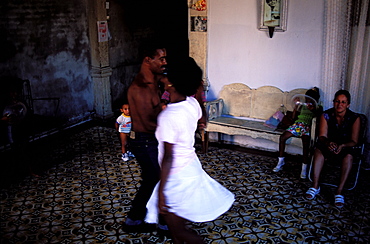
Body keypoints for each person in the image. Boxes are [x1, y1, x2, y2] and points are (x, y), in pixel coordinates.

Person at [145, 57, 234, 244]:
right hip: (191, 168)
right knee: (178, 232)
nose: (161, 78)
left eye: (165, 75)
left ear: (171, 83)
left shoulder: (169, 116)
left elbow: (168, 157)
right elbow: (202, 114)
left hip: (176, 178)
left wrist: (161, 192)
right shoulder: (192, 104)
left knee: (180, 232)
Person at [123, 42, 167, 233]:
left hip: (151, 139)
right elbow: (148, 122)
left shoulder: (154, 80)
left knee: (155, 178)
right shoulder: (140, 87)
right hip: (143, 140)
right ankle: (135, 220)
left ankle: (144, 219)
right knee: (156, 178)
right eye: (162, 59)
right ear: (148, 60)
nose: (165, 62)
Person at [305, 90, 360, 208]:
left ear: (348, 104)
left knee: (349, 156)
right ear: (333, 102)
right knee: (318, 151)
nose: (340, 104)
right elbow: (322, 136)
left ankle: (339, 192)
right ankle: (315, 186)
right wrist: (329, 143)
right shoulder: (326, 115)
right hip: (329, 144)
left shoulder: (355, 118)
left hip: (345, 147)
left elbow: (354, 141)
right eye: (337, 101)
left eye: (343, 102)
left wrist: (342, 146)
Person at [273, 87, 322, 179]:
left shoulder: (318, 107)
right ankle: (281, 161)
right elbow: (294, 117)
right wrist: (295, 107)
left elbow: (319, 118)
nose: (308, 100)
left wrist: (313, 109)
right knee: (283, 137)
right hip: (298, 125)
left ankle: (304, 167)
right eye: (307, 98)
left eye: (310, 98)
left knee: (306, 144)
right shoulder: (303, 105)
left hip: (307, 126)